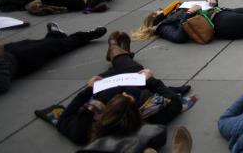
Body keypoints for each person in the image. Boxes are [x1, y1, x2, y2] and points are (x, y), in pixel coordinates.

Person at [39, 31, 191, 145]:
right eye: (128, 97)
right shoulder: (152, 115)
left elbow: (64, 118)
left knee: (126, 65)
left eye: (121, 96)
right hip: (132, 77)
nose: (124, 93)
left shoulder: (84, 129)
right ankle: (117, 49)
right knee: (133, 66)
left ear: (106, 110)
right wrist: (150, 80)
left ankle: (115, 48)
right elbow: (175, 103)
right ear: (137, 115)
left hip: (106, 81)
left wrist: (90, 89)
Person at [0, 23, 107, 99]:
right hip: (18, 61)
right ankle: (86, 36)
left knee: (42, 43)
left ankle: (55, 35)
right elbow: (0, 84)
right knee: (54, 47)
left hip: (2, 53)